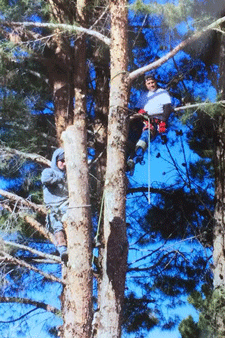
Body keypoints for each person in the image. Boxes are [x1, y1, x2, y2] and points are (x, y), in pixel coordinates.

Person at [127, 74, 172, 174]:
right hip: (141, 119)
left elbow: (167, 108)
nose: (151, 85)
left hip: (155, 120)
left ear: (156, 83)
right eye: (149, 83)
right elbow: (137, 108)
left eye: (153, 82)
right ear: (145, 84)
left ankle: (137, 156)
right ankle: (128, 159)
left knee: (145, 136)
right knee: (131, 138)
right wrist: (137, 113)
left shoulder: (162, 92)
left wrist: (163, 121)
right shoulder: (144, 95)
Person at [41, 148, 68, 260]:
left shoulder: (70, 176)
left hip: (67, 205)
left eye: (66, 161)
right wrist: (60, 178)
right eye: (61, 160)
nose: (64, 163)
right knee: (57, 226)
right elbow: (46, 180)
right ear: (56, 160)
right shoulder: (48, 171)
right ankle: (63, 250)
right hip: (54, 207)